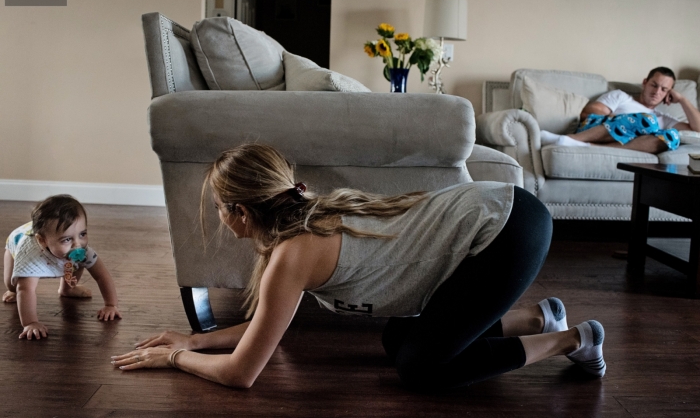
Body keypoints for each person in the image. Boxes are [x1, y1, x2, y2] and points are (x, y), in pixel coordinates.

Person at [111, 144, 606, 391]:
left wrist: (174, 359)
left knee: (421, 367)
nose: (221, 220)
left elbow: (243, 373)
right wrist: (194, 339)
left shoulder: (292, 253)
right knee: (397, 341)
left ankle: (573, 340)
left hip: (506, 230)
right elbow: (268, 326)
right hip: (498, 214)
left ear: (242, 212)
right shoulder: (296, 224)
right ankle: (540, 317)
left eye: (220, 208)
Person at [3, 194, 122, 340]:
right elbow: (26, 289)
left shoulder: (81, 250)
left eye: (82, 234)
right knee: (14, 285)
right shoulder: (30, 257)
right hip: (17, 242)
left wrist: (111, 305)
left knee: (76, 262)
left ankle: (67, 288)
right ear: (42, 240)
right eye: (67, 239)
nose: (78, 244)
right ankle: (10, 290)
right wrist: (31, 322)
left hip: (53, 251)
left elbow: (102, 276)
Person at [541, 67, 700, 153]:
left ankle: (587, 148)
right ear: (645, 82)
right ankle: (572, 139)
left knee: (672, 137)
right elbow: (588, 114)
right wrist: (626, 122)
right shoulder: (621, 97)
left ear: (669, 93)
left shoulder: (663, 118)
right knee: (647, 120)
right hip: (596, 130)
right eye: (654, 85)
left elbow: (697, 130)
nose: (657, 91)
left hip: (626, 144)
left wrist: (683, 100)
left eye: (664, 89)